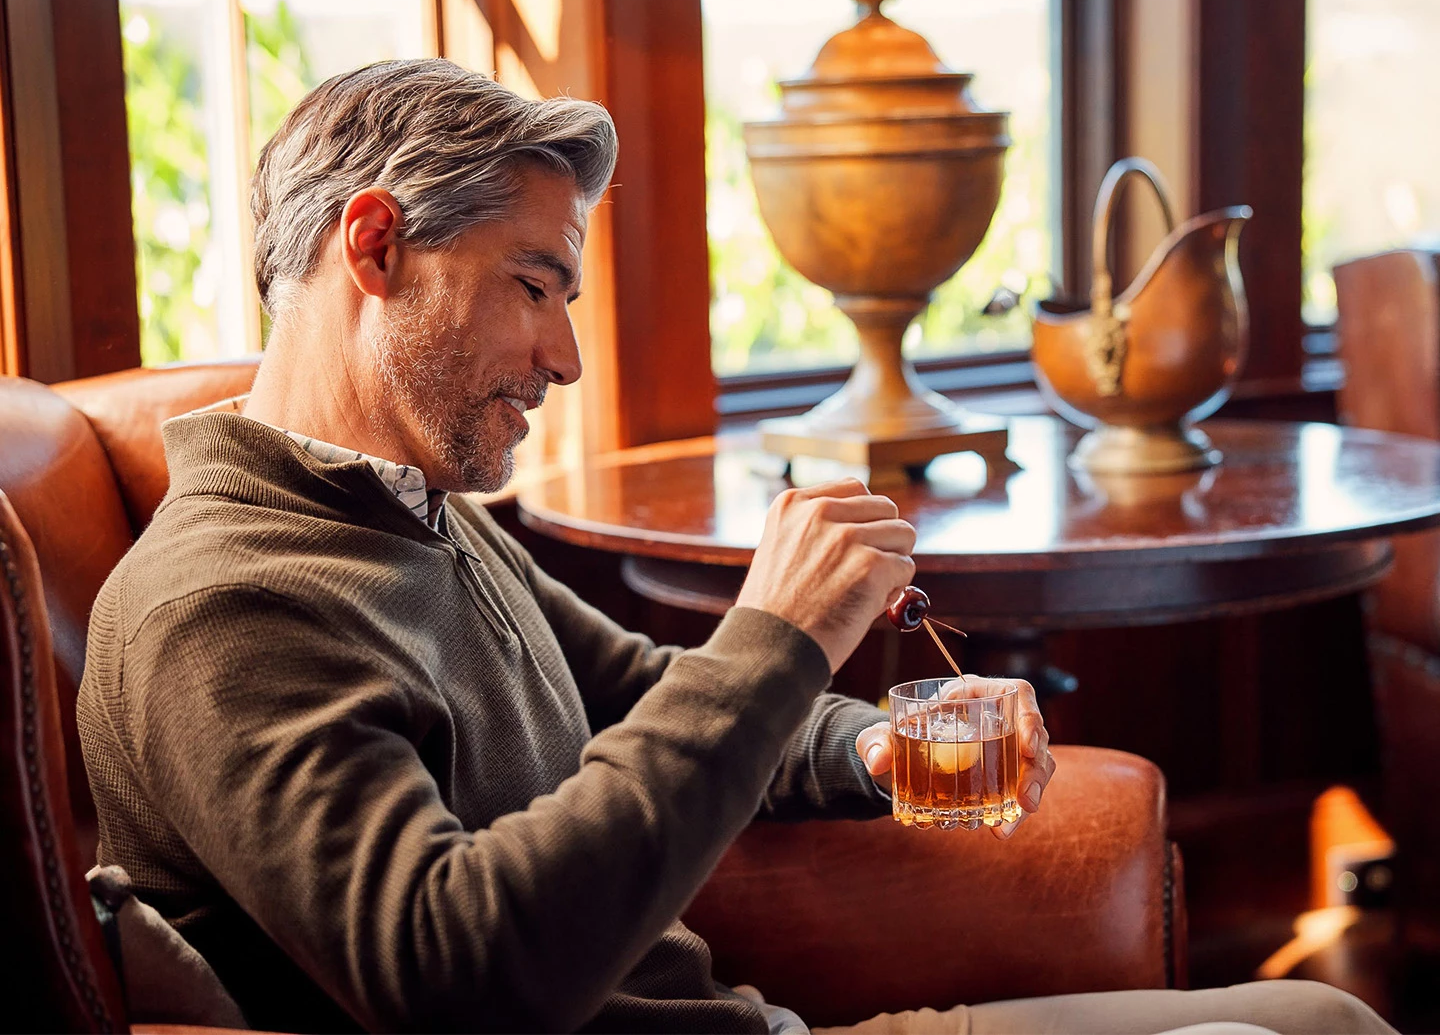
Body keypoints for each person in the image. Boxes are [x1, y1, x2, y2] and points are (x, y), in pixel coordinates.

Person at [77, 59, 1389, 1035]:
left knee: (1325, 1021)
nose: (567, 357)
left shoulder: (410, 514)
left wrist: (870, 744)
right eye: (533, 286)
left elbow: (649, 697)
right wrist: (780, 634)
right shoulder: (225, 606)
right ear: (373, 245)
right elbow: (453, 972)